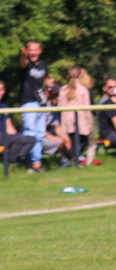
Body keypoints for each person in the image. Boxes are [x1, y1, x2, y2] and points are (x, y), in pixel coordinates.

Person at [59, 65, 97, 166]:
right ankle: (75, 160)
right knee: (81, 142)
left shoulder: (63, 89)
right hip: (81, 120)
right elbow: (87, 107)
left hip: (67, 120)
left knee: (72, 142)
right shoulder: (83, 89)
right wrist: (89, 122)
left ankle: (72, 160)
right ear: (80, 76)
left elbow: (60, 106)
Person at [19, 41, 48, 172]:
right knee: (30, 133)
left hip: (41, 102)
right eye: (31, 50)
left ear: (40, 50)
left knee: (40, 134)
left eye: (36, 50)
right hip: (28, 102)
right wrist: (23, 56)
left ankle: (37, 162)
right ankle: (28, 162)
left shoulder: (43, 64)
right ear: (27, 51)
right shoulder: (26, 64)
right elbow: (23, 63)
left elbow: (43, 81)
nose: (33, 53)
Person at [0, 80, 37, 167]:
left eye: (1, 90)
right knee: (19, 140)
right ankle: (11, 161)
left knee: (30, 140)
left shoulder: (3, 106)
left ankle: (15, 161)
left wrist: (18, 137)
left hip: (5, 137)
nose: (0, 93)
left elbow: (9, 127)